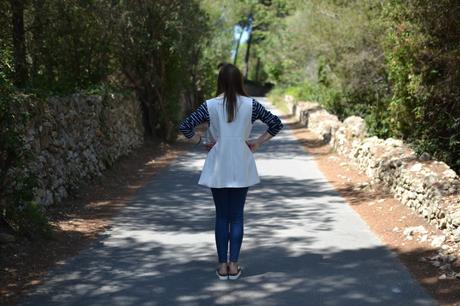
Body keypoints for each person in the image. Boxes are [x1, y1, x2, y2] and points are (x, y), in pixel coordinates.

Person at [178, 63, 284, 280]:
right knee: (236, 216)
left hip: (218, 163)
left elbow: (185, 126)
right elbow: (275, 124)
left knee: (221, 216)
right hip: (242, 162)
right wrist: (257, 142)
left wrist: (202, 141)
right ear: (239, 81)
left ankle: (222, 266)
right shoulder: (252, 105)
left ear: (220, 81)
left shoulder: (209, 105)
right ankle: (233, 266)